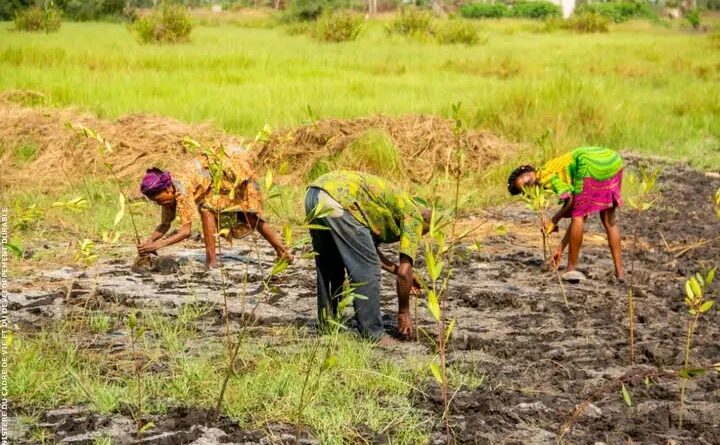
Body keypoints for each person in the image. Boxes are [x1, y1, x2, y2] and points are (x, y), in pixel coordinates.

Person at [305, 171, 430, 341]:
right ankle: (373, 334)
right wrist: (404, 312)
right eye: (422, 233)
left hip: (314, 194)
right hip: (341, 199)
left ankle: (327, 324)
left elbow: (369, 252)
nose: (416, 236)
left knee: (330, 263)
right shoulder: (414, 216)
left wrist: (397, 270)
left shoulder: (395, 205)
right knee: (368, 271)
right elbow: (402, 271)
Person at [137, 146, 293, 268]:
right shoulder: (168, 195)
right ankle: (283, 252)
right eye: (155, 202)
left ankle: (211, 262)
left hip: (231, 168)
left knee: (214, 210)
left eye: (159, 200)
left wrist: (157, 245)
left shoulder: (181, 189)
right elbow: (165, 224)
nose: (159, 204)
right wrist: (148, 242)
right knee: (245, 217)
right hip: (215, 183)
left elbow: (185, 232)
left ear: (168, 189)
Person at [507, 146, 625, 282]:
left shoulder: (544, 175)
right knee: (608, 218)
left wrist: (554, 220)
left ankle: (571, 270)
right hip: (613, 160)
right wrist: (560, 248)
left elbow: (571, 201)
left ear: (531, 170)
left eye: (524, 177)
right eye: (524, 186)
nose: (526, 182)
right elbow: (576, 207)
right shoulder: (550, 168)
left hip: (589, 163)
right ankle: (620, 273)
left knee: (578, 216)